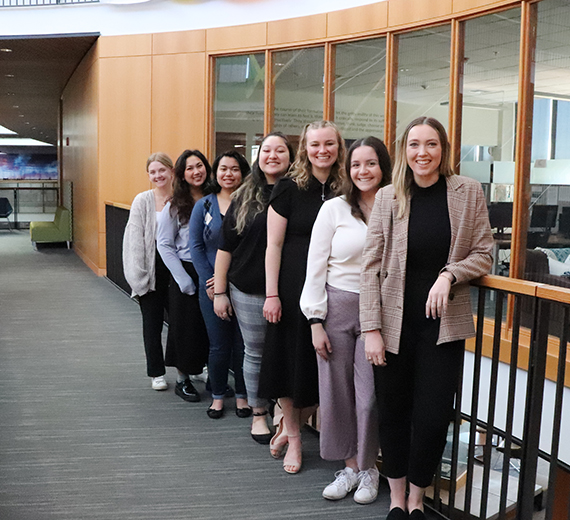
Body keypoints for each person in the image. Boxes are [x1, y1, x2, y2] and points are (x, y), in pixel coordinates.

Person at [360, 117, 494, 520]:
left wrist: (449, 274)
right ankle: (398, 499)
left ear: (444, 150)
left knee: (434, 417)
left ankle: (419, 497)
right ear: (404, 151)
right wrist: (371, 329)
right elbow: (370, 267)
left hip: (443, 325)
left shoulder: (467, 192)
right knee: (394, 411)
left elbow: (485, 252)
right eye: (415, 144)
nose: (423, 153)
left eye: (431, 144)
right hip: (392, 325)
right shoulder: (388, 197)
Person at [300, 136, 391, 503]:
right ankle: (350, 466)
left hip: (379, 311)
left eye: (370, 163)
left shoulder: (396, 207)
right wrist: (315, 320)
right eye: (356, 165)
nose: (362, 171)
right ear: (347, 170)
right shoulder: (334, 208)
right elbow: (315, 265)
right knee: (336, 394)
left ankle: (370, 468)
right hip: (335, 305)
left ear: (383, 167)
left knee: (368, 397)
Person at [260, 120, 347, 474]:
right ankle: (294, 436)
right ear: (305, 148)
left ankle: (288, 425)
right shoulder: (288, 188)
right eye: (315, 144)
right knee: (286, 362)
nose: (322, 150)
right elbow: (273, 245)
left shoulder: (348, 188)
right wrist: (271, 294)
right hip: (292, 286)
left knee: (318, 366)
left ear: (339, 147)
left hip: (334, 287)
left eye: (329, 144)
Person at [213, 133, 294, 442]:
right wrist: (220, 292)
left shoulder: (298, 192)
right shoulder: (245, 195)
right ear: (259, 157)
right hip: (249, 288)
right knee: (257, 353)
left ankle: (282, 409)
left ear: (290, 156)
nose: (272, 155)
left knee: (286, 353)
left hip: (291, 288)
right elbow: (225, 247)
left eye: (280, 150)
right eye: (266, 150)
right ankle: (259, 413)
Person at [189, 151, 251, 419]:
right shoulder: (203, 205)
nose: (229, 174)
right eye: (223, 169)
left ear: (243, 173)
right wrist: (211, 282)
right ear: (215, 173)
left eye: (235, 169)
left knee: (243, 345)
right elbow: (196, 247)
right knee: (218, 344)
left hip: (246, 284)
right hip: (212, 287)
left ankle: (242, 396)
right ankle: (217, 396)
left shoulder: (253, 204)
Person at [157, 149, 211, 403]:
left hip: (212, 270)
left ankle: (212, 375)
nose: (196, 171)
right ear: (182, 173)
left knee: (209, 328)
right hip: (185, 271)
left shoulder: (216, 198)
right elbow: (164, 244)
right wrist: (183, 279)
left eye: (199, 166)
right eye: (189, 168)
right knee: (184, 328)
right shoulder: (174, 205)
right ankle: (182, 380)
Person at [123, 152, 174, 391]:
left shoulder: (182, 198)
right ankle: (156, 372)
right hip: (152, 271)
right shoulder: (142, 200)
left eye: (161, 170)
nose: (157, 175)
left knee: (184, 324)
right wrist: (139, 277)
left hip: (178, 271)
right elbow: (134, 242)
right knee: (152, 326)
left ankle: (191, 367)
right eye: (152, 172)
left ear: (171, 171)